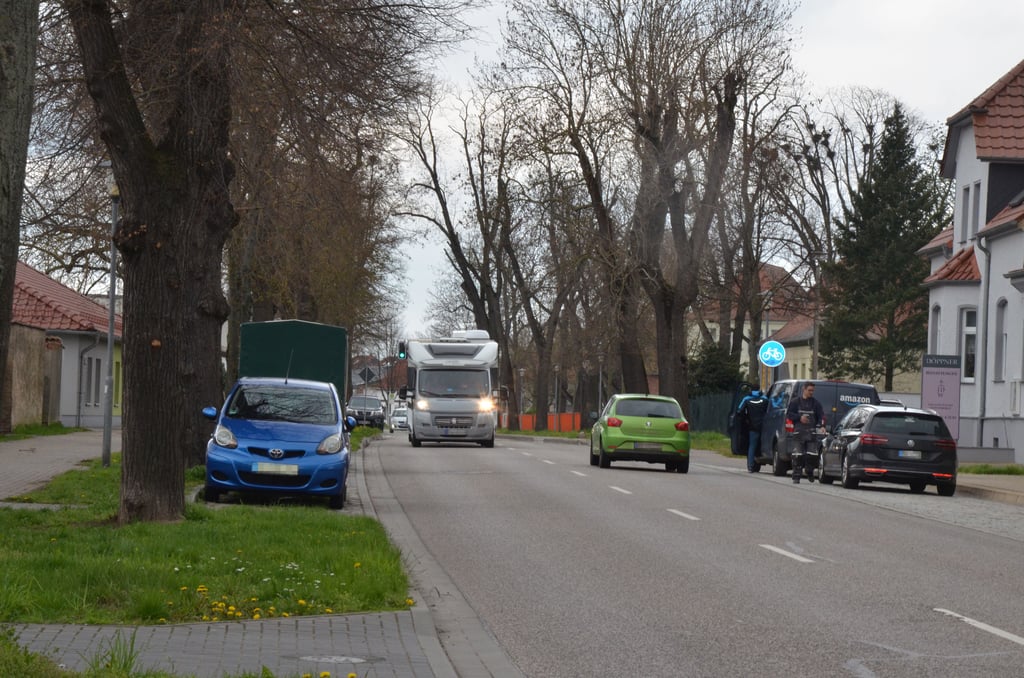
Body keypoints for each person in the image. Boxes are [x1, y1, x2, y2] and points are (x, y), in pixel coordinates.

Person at [786, 381, 825, 484]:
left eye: (812, 391)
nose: (811, 392)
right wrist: (799, 418)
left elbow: (821, 416)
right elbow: (789, 414)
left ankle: (809, 471)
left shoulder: (816, 403)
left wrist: (822, 426)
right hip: (798, 432)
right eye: (809, 390)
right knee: (797, 455)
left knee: (812, 455)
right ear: (804, 389)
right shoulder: (795, 402)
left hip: (811, 433)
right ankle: (796, 476)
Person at [737, 389, 769, 473]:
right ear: (759, 390)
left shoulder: (746, 399)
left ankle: (750, 466)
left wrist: (746, 419)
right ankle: (766, 457)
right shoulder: (765, 399)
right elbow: (770, 409)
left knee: (752, 446)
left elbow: (739, 411)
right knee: (766, 444)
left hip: (752, 426)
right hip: (764, 427)